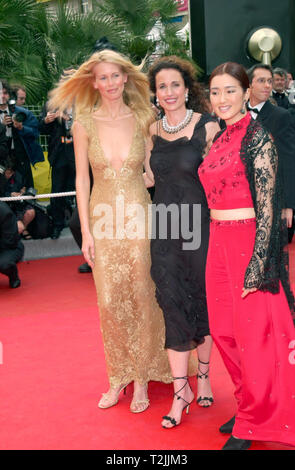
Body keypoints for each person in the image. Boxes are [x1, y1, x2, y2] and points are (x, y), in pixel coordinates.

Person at [48, 50, 172, 412]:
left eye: (115, 76)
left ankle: (143, 378)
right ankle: (118, 374)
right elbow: (81, 179)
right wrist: (86, 233)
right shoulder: (83, 122)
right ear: (93, 82)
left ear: (126, 77)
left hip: (139, 217)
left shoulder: (143, 117)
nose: (111, 83)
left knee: (141, 294)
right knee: (108, 301)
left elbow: (152, 170)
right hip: (102, 219)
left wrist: (157, 174)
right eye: (103, 77)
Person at [198, 61, 295, 450]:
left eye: (230, 91)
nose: (222, 99)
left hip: (248, 244)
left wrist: (259, 263)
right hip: (218, 242)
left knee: (255, 338)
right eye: (216, 92)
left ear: (245, 93)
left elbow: (269, 206)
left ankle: (256, 420)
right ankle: (246, 402)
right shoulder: (218, 137)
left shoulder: (258, 137)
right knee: (224, 332)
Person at [145, 56, 220, 428]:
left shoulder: (207, 127)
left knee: (201, 303)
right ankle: (180, 393)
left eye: (175, 85)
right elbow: (145, 177)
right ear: (155, 93)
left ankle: (203, 376)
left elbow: (223, 179)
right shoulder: (151, 130)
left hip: (199, 229)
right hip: (163, 229)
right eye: (162, 87)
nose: (169, 92)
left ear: (187, 88)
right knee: (171, 304)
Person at [247, 64, 295, 243]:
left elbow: (288, 162)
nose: (267, 85)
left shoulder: (281, 116)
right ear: (249, 85)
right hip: (240, 200)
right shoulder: (235, 113)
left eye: (269, 81)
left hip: (271, 199)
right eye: (261, 81)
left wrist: (287, 205)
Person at [39, 104, 75, 239]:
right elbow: (41, 128)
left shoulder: (83, 101)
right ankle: (57, 224)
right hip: (58, 153)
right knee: (57, 191)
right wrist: (46, 121)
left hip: (78, 151)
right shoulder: (51, 104)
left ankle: (85, 223)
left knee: (80, 188)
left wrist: (67, 117)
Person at [0, 80, 44, 188]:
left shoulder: (23, 113)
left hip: (20, 155)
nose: (2, 96)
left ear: (10, 95)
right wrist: (1, 126)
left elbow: (35, 133)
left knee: (27, 186)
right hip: (1, 155)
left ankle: (29, 205)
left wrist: (21, 127)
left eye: (5, 93)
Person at [0, 201, 24, 288]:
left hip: (10, 247)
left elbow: (10, 240)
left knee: (4, 264)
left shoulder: (3, 210)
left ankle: (13, 276)